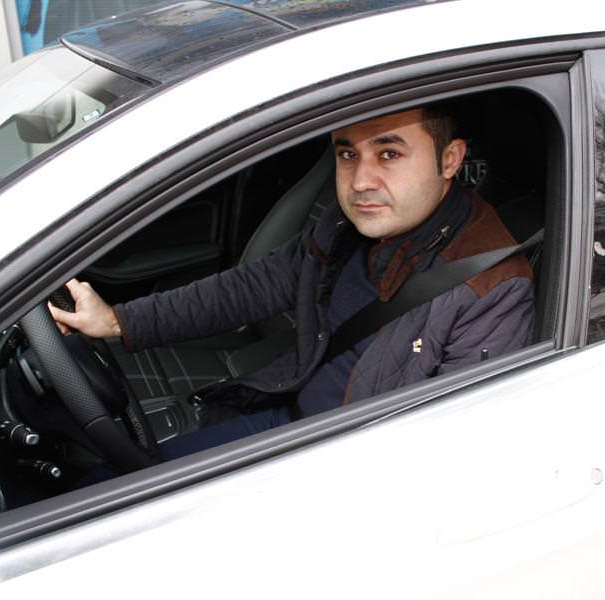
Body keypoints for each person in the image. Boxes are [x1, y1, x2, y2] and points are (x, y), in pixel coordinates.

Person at [50, 106, 534, 461]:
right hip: (288, 415)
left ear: (450, 160)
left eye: (389, 153)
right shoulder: (346, 226)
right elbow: (250, 288)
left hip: (336, 470)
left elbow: (452, 452)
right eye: (348, 154)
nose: (360, 180)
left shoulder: (491, 288)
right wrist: (117, 321)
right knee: (103, 484)